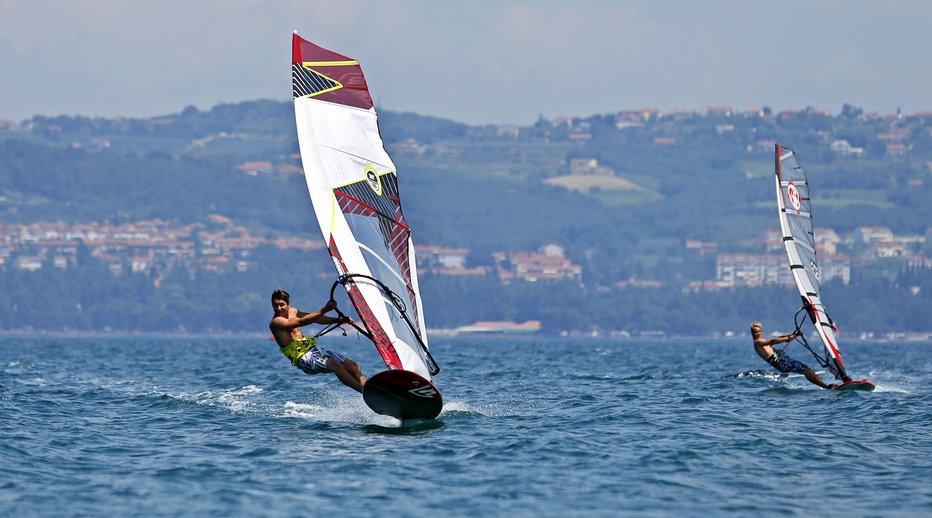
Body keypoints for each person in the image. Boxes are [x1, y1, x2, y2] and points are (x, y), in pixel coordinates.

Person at [269, 289, 366, 393]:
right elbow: (302, 321)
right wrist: (325, 309)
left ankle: (370, 388)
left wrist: (338, 320)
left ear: (288, 304)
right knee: (334, 364)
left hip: (315, 351)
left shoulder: (293, 311)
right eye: (275, 305)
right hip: (303, 359)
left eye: (281, 305)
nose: (278, 308)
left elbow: (317, 319)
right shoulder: (276, 322)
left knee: (353, 366)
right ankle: (365, 392)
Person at [750, 321, 836, 389]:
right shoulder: (758, 342)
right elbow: (773, 341)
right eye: (755, 332)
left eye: (759, 331)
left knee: (809, 370)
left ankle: (826, 385)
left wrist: (793, 335)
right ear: (752, 333)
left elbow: (779, 338)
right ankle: (827, 387)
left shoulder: (762, 341)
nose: (758, 333)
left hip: (784, 360)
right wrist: (789, 338)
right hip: (781, 363)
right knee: (806, 370)